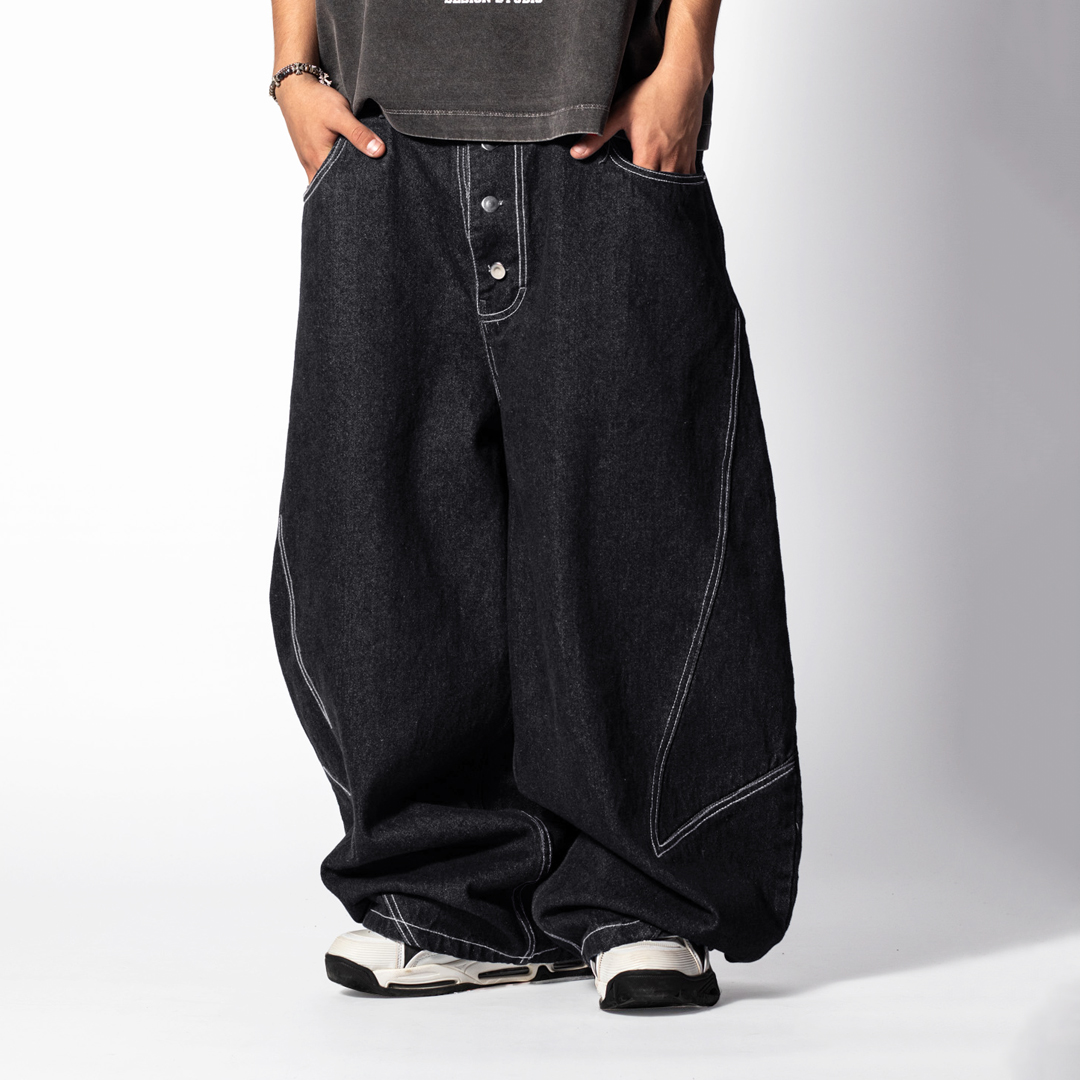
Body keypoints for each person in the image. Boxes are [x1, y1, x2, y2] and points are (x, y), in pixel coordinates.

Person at [268, 0, 801, 1011]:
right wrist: (293, 69)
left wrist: (687, 57)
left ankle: (643, 898)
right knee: (384, 539)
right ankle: (448, 895)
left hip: (601, 126)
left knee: (636, 523)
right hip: (382, 137)